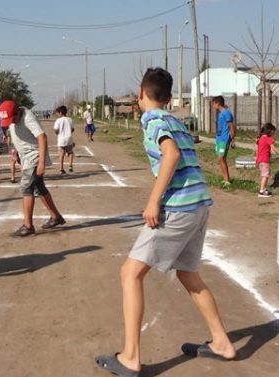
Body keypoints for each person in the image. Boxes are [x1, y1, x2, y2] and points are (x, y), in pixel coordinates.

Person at [94, 68, 236, 377]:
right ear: (170, 98)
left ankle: (131, 358)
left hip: (179, 207)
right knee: (188, 274)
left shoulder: (153, 120)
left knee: (130, 274)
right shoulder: (175, 120)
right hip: (199, 204)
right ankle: (222, 342)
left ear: (141, 94)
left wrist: (153, 201)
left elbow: (170, 156)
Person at [0, 100, 66, 237]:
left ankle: (28, 226)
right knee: (38, 188)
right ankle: (56, 217)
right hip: (26, 156)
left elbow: (42, 137)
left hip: (34, 156)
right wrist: (16, 151)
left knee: (26, 187)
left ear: (18, 112)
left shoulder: (28, 117)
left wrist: (41, 163)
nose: (12, 122)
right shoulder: (14, 119)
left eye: (13, 119)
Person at [212, 95, 236, 187]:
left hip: (224, 139)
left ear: (217, 103)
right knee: (221, 159)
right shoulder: (220, 114)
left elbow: (231, 126)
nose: (213, 106)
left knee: (221, 158)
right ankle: (225, 179)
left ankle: (227, 181)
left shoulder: (226, 113)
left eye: (213, 104)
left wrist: (232, 138)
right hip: (219, 139)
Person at [256, 123, 279, 197]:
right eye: (273, 131)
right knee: (265, 176)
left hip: (260, 160)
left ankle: (264, 189)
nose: (274, 133)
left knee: (265, 175)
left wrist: (257, 160)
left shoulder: (260, 138)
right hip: (264, 160)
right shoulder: (267, 138)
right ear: (269, 131)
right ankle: (261, 191)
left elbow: (257, 150)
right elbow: (273, 148)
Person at [53, 105, 75, 174]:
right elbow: (72, 129)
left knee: (61, 153)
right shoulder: (70, 119)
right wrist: (68, 132)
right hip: (69, 138)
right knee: (70, 152)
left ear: (60, 113)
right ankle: (70, 166)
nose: (57, 114)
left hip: (61, 139)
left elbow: (56, 130)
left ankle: (61, 168)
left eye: (57, 113)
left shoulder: (58, 120)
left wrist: (57, 132)